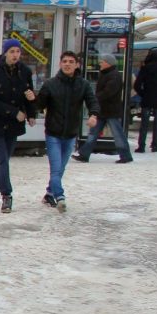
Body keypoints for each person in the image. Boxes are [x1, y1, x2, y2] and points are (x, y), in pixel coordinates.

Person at [33, 51, 96, 213]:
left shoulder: (83, 84)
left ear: (76, 65)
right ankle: (59, 197)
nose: (67, 64)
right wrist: (33, 100)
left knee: (61, 168)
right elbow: (39, 104)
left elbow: (92, 101)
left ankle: (49, 194)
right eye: (65, 61)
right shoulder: (51, 84)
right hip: (53, 132)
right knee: (55, 168)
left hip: (70, 133)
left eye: (71, 61)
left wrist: (94, 114)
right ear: (60, 64)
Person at [0, 38, 36, 214]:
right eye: (12, 51)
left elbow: (28, 93)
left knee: (4, 159)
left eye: (18, 51)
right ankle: (7, 195)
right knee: (1, 160)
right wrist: (14, 112)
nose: (15, 55)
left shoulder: (25, 72)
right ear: (5, 53)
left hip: (15, 124)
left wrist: (31, 113)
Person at [74, 54, 132, 165]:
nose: (100, 63)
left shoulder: (113, 76)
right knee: (93, 133)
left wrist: (94, 98)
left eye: (102, 61)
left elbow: (108, 92)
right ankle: (84, 154)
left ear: (108, 63)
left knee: (117, 134)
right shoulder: (106, 74)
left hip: (111, 110)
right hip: (103, 110)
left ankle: (125, 156)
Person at [132, 47, 157, 153]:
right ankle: (155, 145)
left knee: (144, 123)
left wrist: (143, 94)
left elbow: (137, 85)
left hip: (147, 98)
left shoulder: (145, 68)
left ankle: (141, 146)